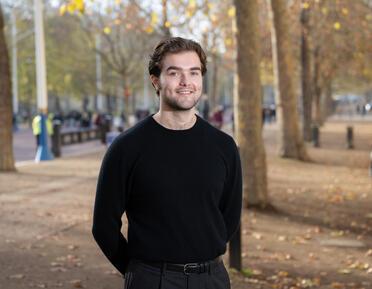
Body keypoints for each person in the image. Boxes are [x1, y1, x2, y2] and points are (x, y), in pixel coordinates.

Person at [92, 37, 242, 289]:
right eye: (174, 73)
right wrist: (137, 271)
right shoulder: (127, 147)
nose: (186, 82)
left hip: (212, 278)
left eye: (194, 72)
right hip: (151, 279)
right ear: (156, 80)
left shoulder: (224, 146)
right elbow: (103, 225)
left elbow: (229, 217)